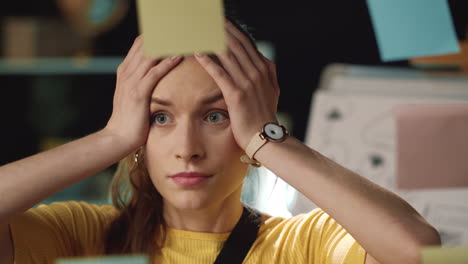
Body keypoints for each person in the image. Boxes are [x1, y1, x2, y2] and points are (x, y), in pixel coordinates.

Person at [0, 12, 440, 264]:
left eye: (216, 115)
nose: (188, 148)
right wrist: (113, 136)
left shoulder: (306, 243)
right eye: (160, 118)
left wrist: (267, 138)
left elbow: (416, 252)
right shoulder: (84, 236)